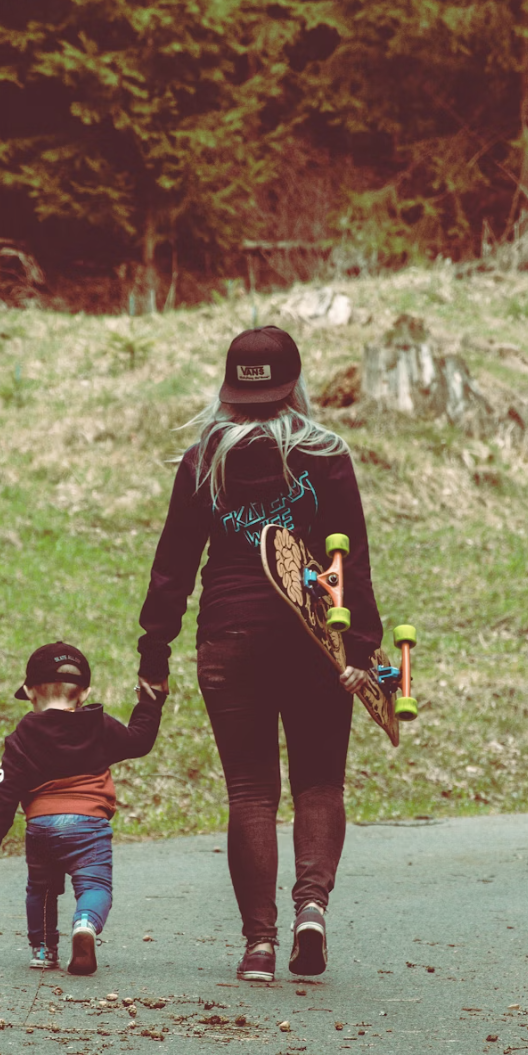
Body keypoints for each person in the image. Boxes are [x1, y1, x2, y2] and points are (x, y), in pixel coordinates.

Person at [136, 326, 380, 982]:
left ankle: (259, 947)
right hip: (315, 641)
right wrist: (364, 647)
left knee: (250, 792)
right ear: (296, 386)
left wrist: (152, 652)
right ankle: (310, 909)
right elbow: (348, 557)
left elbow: (172, 569)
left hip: (229, 639)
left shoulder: (202, 460)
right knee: (319, 782)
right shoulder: (327, 455)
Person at [0, 641, 165, 975]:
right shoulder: (98, 724)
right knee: (94, 886)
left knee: (42, 888)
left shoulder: (23, 733)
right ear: (83, 694)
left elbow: (4, 787)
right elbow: (140, 740)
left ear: (29, 692)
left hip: (42, 826)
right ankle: (84, 925)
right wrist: (150, 702)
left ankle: (42, 950)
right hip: (88, 824)